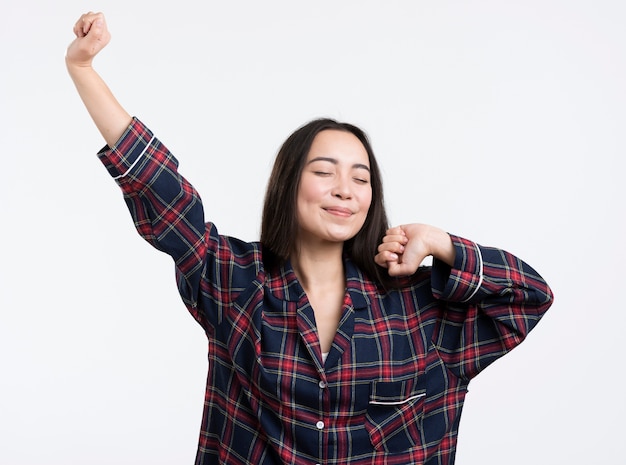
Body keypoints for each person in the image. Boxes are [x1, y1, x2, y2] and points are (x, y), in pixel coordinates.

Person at [66, 11, 554, 465]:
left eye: (361, 179)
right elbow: (165, 197)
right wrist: (84, 70)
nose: (345, 189)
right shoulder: (236, 281)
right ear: (290, 185)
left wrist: (442, 242)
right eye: (325, 172)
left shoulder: (419, 304)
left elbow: (529, 297)